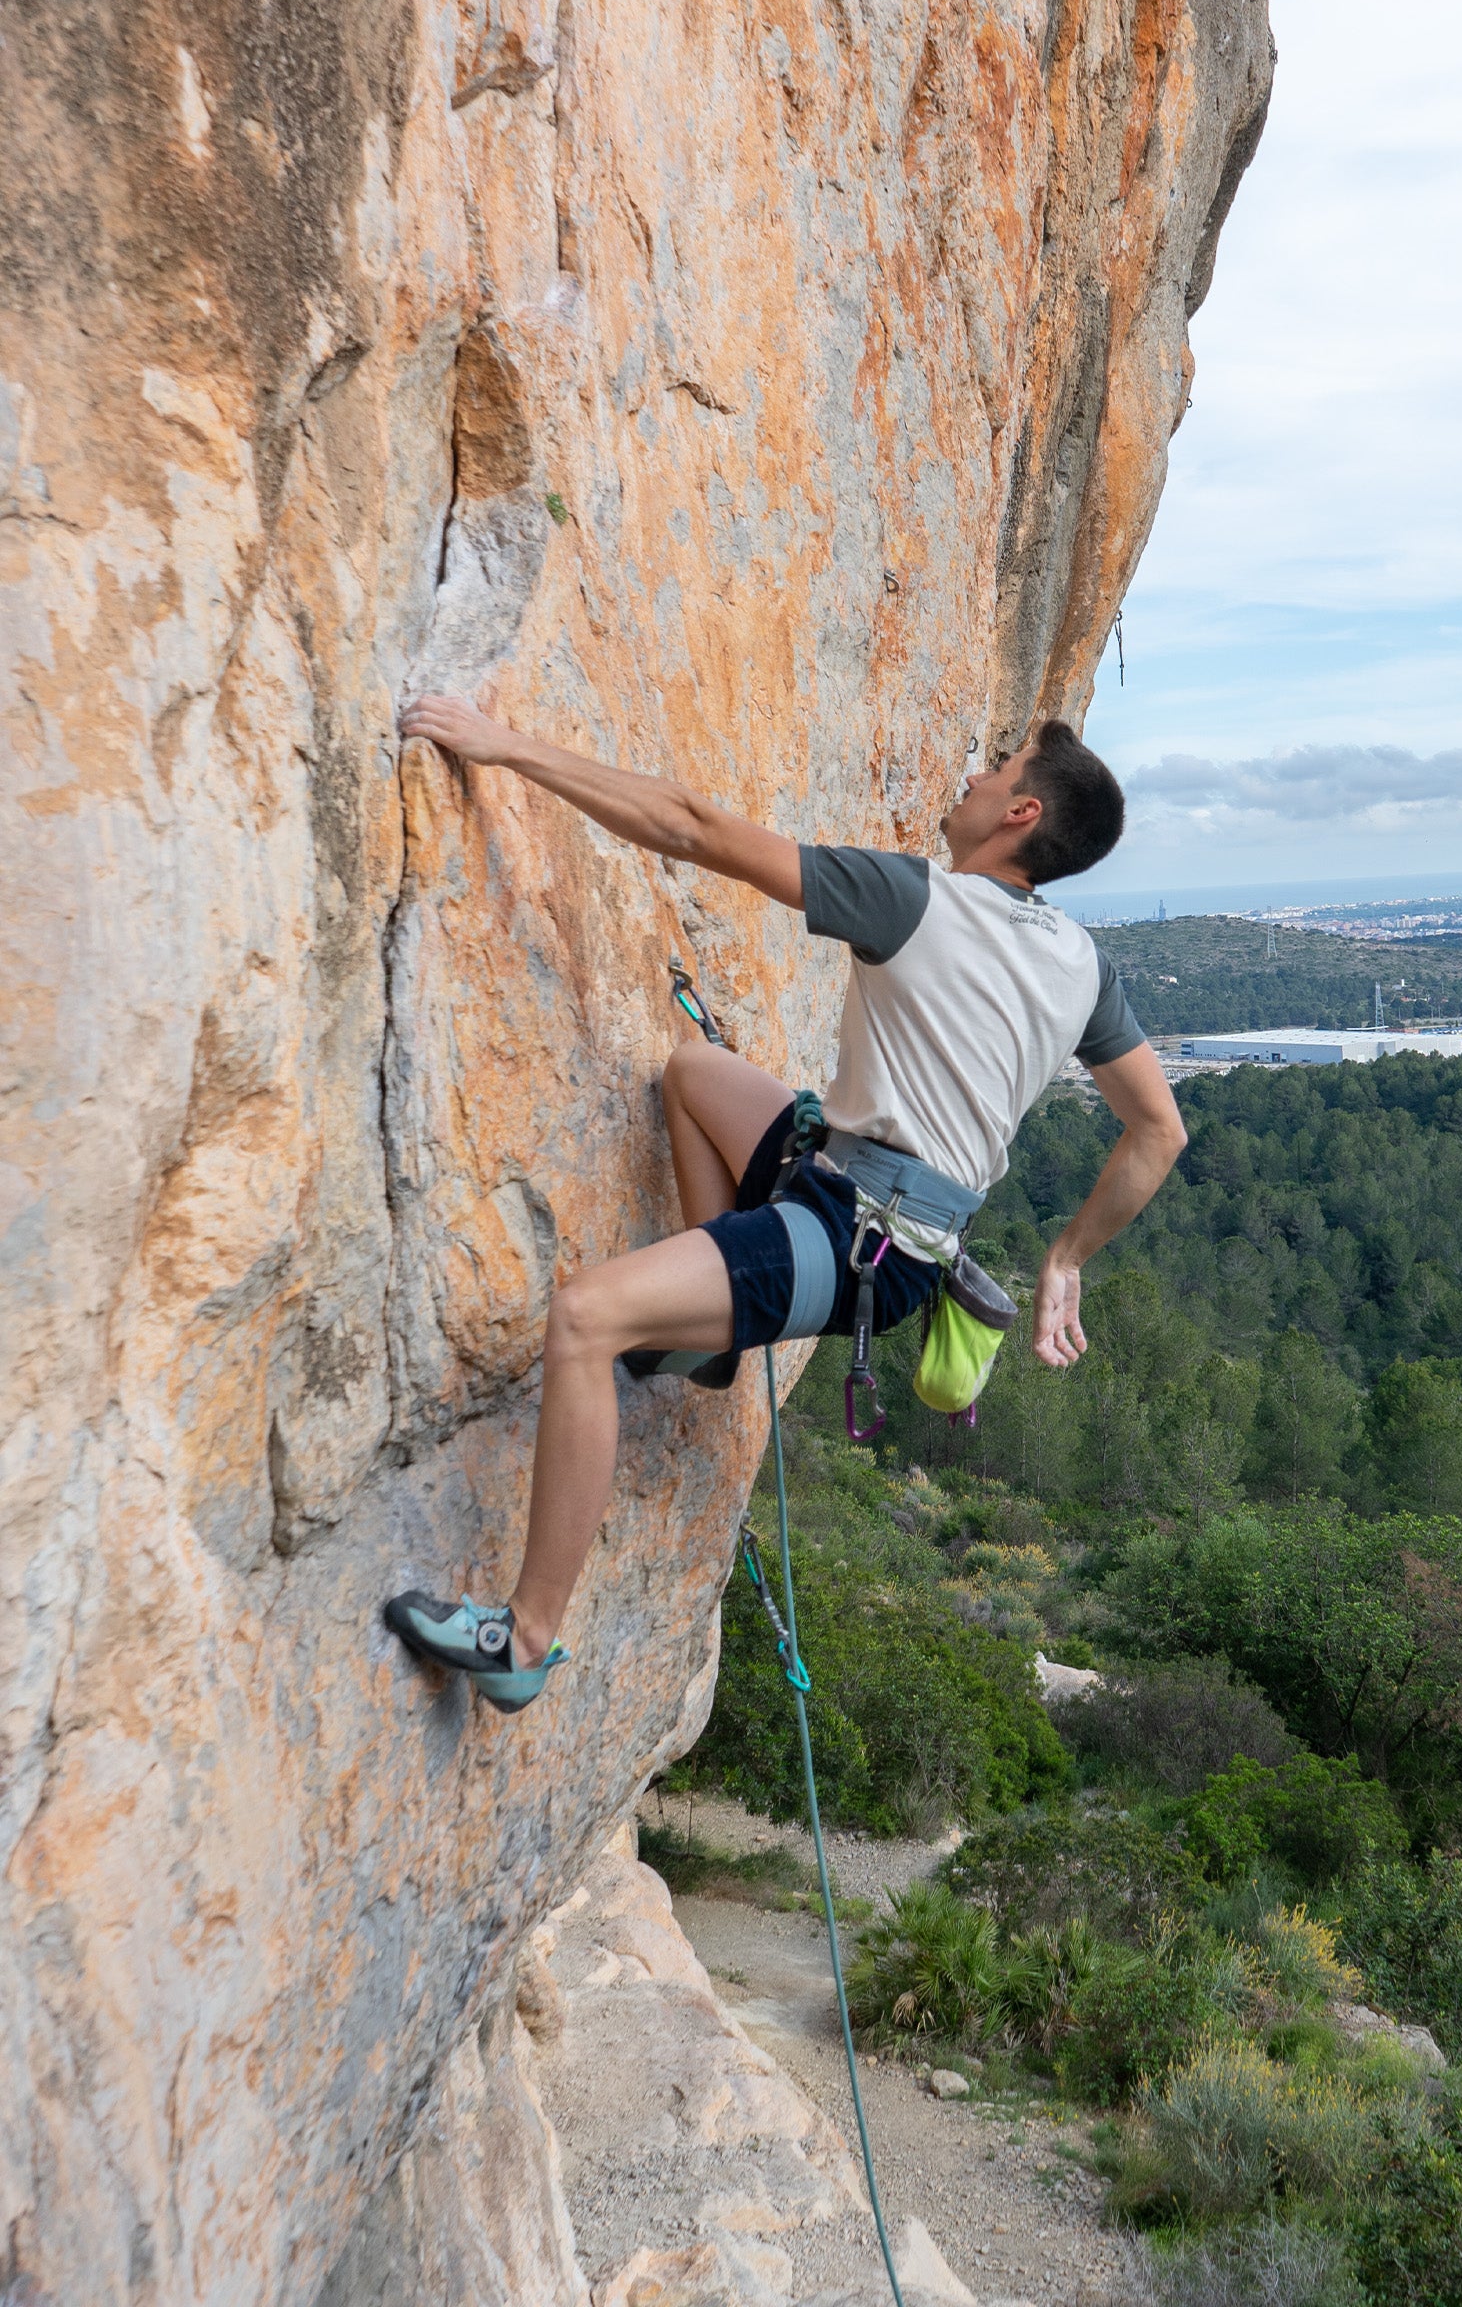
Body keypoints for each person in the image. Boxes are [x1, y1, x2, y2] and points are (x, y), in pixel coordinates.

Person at [384, 696, 1188, 1713]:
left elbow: (692, 826)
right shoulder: (1079, 963)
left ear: (1020, 813)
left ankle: (526, 1639)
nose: (970, 778)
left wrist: (506, 747)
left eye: (994, 770)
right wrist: (1066, 1259)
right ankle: (709, 1338)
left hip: (857, 1240)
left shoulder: (914, 900)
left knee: (586, 1318)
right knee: (693, 1073)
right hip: (867, 1200)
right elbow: (1158, 1131)